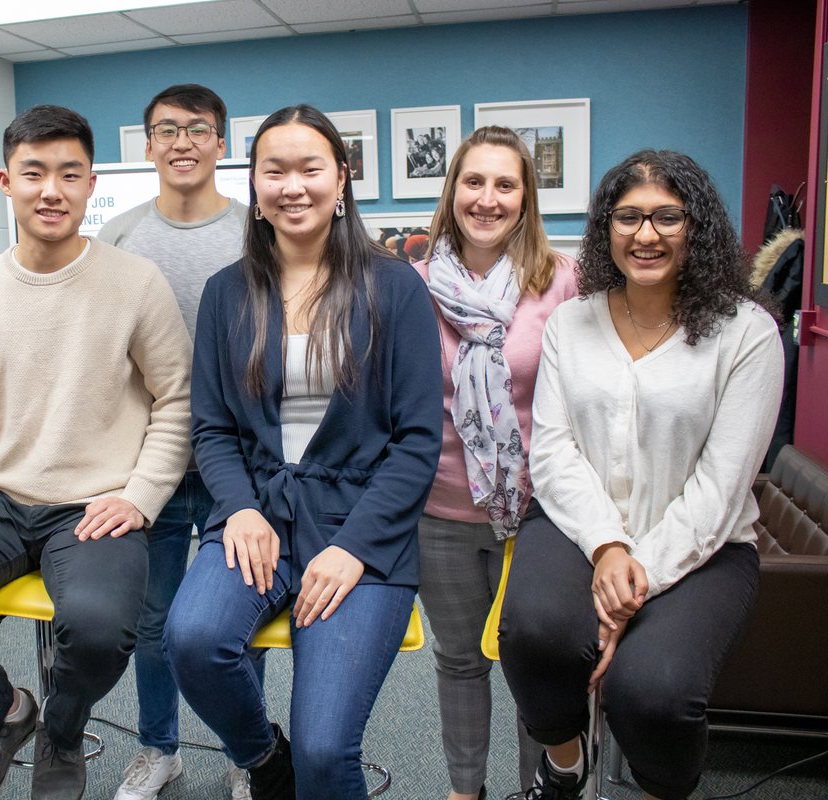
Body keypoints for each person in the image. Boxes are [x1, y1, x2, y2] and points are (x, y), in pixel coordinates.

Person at [0, 105, 192, 800]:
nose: (51, 189)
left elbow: (178, 401)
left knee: (103, 626)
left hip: (95, 504)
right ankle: (3, 715)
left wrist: (139, 498)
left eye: (68, 174)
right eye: (34, 173)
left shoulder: (136, 283)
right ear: (6, 181)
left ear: (89, 186)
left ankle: (63, 728)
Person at [164, 105, 443, 800]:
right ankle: (264, 760)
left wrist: (356, 547)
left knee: (326, 753)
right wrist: (240, 511)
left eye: (310, 168)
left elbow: (417, 443)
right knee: (194, 641)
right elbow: (213, 430)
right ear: (254, 185)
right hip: (256, 514)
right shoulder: (227, 293)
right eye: (274, 170)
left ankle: (302, 768)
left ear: (340, 179)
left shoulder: (395, 287)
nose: (293, 186)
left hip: (360, 529)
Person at [498, 150, 783, 800]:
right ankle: (565, 766)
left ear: (697, 227)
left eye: (665, 217)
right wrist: (607, 547)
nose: (645, 234)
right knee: (535, 634)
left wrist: (635, 580)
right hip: (578, 527)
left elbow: (722, 485)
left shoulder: (749, 335)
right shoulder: (573, 322)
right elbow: (553, 450)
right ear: (605, 229)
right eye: (627, 217)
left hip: (703, 544)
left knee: (652, 691)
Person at [410, 126, 578, 800]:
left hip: (538, 513)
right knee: (457, 663)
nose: (487, 198)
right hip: (439, 511)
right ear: (452, 193)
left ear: (525, 197)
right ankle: (466, 790)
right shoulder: (414, 286)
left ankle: (537, 789)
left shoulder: (563, 280)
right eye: (472, 182)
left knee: (533, 666)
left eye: (504, 184)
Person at [97, 83, 255, 800]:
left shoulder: (261, 233)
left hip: (241, 465)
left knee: (234, 623)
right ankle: (158, 748)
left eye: (198, 129)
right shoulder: (121, 235)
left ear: (222, 141)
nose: (182, 141)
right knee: (154, 620)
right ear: (148, 144)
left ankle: (250, 753)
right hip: (150, 463)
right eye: (167, 130)